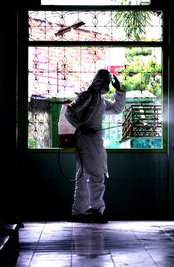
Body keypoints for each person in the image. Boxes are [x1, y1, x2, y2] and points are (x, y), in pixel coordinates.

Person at [65, 69, 126, 223]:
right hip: (87, 141)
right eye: (106, 82)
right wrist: (81, 126)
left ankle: (79, 211)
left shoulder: (100, 100)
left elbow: (117, 109)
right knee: (95, 174)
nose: (107, 86)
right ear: (100, 81)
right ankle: (96, 210)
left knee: (84, 176)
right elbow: (69, 111)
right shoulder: (88, 95)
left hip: (93, 141)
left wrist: (118, 90)